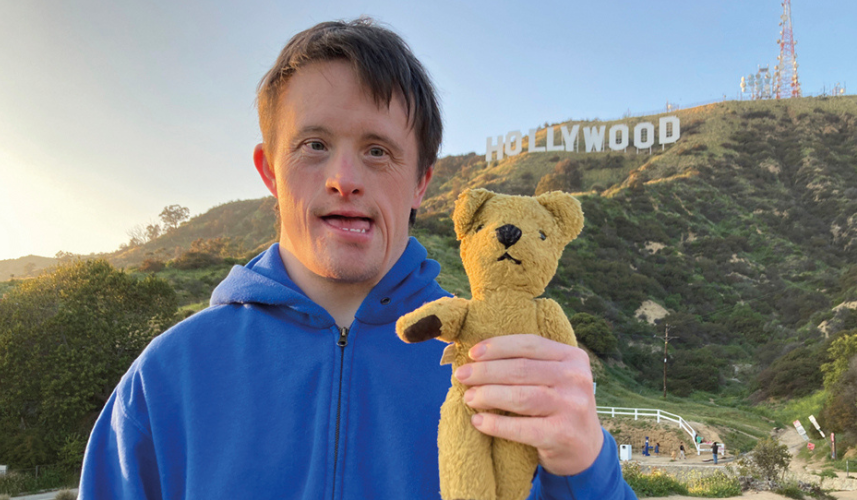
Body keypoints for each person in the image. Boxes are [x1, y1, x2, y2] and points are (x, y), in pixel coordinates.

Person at [77, 18, 636, 500]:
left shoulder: (499, 366)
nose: (344, 179)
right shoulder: (168, 376)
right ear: (269, 170)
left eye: (378, 151)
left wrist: (587, 464)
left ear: (421, 183)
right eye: (313, 145)